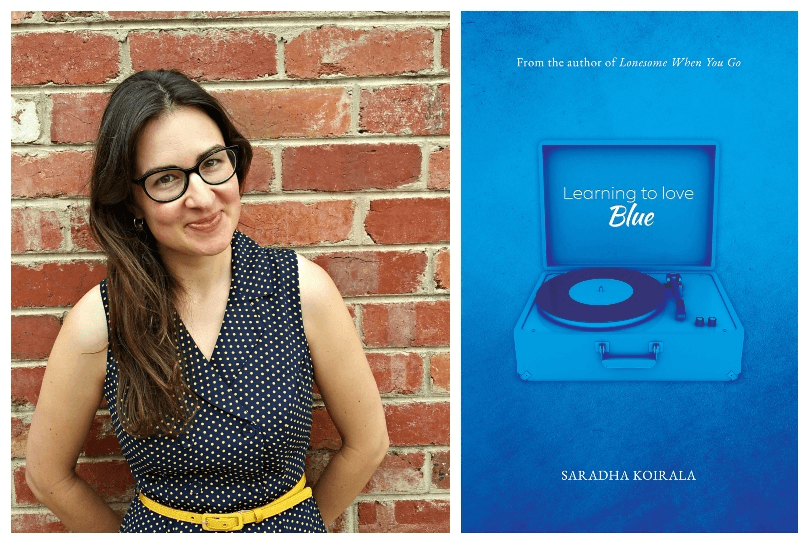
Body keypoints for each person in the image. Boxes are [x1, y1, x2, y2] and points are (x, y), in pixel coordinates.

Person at [25, 69, 389, 533]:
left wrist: (300, 527)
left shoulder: (301, 291)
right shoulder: (102, 321)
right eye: (166, 179)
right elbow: (48, 477)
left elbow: (368, 444)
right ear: (132, 201)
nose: (201, 197)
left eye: (212, 163)